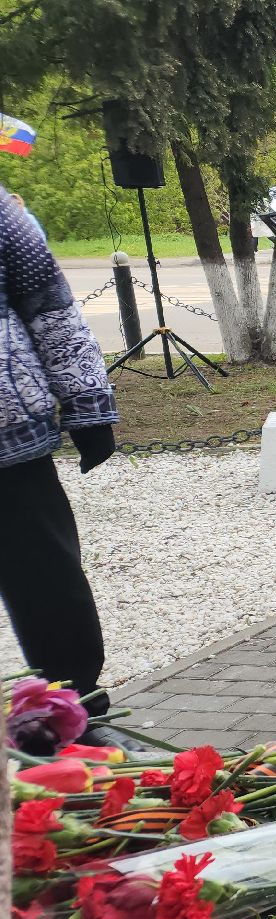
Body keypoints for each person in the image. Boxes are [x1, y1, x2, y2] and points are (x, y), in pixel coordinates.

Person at [0, 184, 130, 752]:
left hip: (9, 438)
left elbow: (52, 309)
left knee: (45, 580)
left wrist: (87, 405)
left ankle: (75, 708)